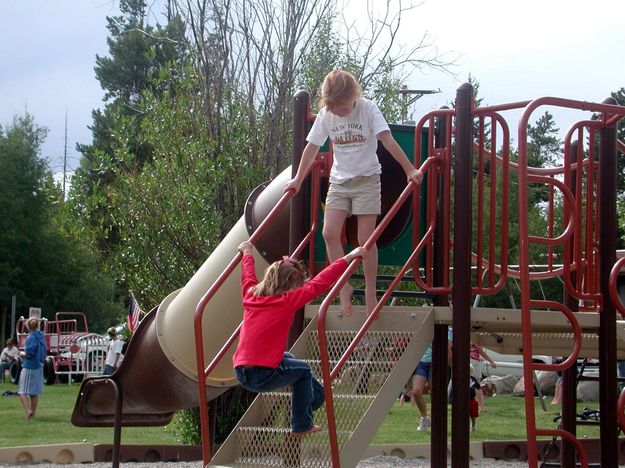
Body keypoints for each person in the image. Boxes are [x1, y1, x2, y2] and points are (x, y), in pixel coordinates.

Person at [284, 70, 423, 316]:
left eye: (344, 108)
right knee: (329, 233)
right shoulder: (327, 114)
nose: (340, 113)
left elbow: (388, 140)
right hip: (339, 182)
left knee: (365, 240)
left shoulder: (368, 109)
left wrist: (409, 169)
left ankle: (370, 293)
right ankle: (343, 286)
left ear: (353, 96)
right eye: (335, 108)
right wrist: (297, 178)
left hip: (367, 180)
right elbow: (312, 148)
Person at [233, 241, 366, 435]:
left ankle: (315, 397)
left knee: (289, 358)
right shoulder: (286, 301)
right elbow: (319, 283)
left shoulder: (251, 296)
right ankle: (301, 424)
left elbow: (248, 276)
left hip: (241, 371)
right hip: (262, 375)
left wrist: (247, 252)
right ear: (291, 286)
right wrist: (347, 259)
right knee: (303, 371)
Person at [18, 317, 46, 419]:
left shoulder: (31, 338)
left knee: (22, 391)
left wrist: (21, 353)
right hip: (39, 366)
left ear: (28, 327)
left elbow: (29, 354)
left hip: (30, 366)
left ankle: (28, 411)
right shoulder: (41, 336)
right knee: (34, 392)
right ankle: (33, 414)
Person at [406, 344, 432, 432]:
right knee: (416, 391)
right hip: (421, 362)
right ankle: (425, 418)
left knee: (435, 393)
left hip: (435, 361)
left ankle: (434, 420)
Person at [470, 342, 496, 412]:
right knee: (477, 386)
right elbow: (481, 352)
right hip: (474, 363)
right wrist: (491, 362)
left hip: (468, 362)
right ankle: (481, 408)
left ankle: (473, 405)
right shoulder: (474, 338)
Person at [469, 365, 481, 432]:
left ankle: (473, 424)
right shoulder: (460, 378)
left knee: (473, 413)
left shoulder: (473, 379)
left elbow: (478, 387)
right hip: (463, 400)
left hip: (472, 399)